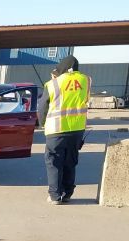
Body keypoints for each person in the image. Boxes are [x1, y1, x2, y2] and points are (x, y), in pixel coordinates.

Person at [38, 55, 89, 205]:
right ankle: (67, 193)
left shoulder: (53, 84)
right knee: (70, 161)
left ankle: (54, 195)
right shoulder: (86, 80)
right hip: (77, 128)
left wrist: (42, 123)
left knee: (53, 161)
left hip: (56, 129)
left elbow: (42, 107)